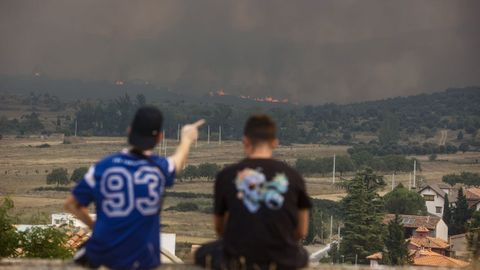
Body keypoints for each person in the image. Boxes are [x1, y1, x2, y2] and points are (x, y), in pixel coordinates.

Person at [64, 106, 204, 269]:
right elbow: (178, 161)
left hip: (103, 254)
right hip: (143, 259)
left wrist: (94, 226)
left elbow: (71, 204)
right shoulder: (159, 169)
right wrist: (187, 138)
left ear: (129, 131)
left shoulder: (103, 167)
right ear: (160, 137)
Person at [211, 115, 311, 270]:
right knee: (303, 254)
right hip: (282, 258)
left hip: (238, 257)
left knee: (202, 253)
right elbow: (302, 231)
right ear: (275, 143)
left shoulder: (226, 175)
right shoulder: (294, 177)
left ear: (245, 141)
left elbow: (219, 228)